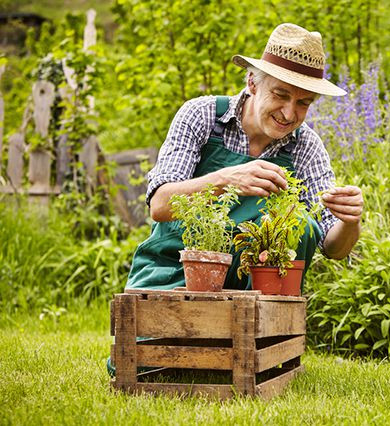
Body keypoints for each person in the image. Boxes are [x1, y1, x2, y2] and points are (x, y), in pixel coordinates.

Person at [125, 23, 364, 291]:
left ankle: (263, 324)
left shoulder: (305, 147)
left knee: (301, 224)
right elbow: (159, 205)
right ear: (252, 82)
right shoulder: (202, 116)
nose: (288, 114)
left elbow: (333, 248)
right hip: (176, 272)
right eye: (280, 95)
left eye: (303, 103)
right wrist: (227, 180)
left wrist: (349, 221)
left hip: (256, 289)